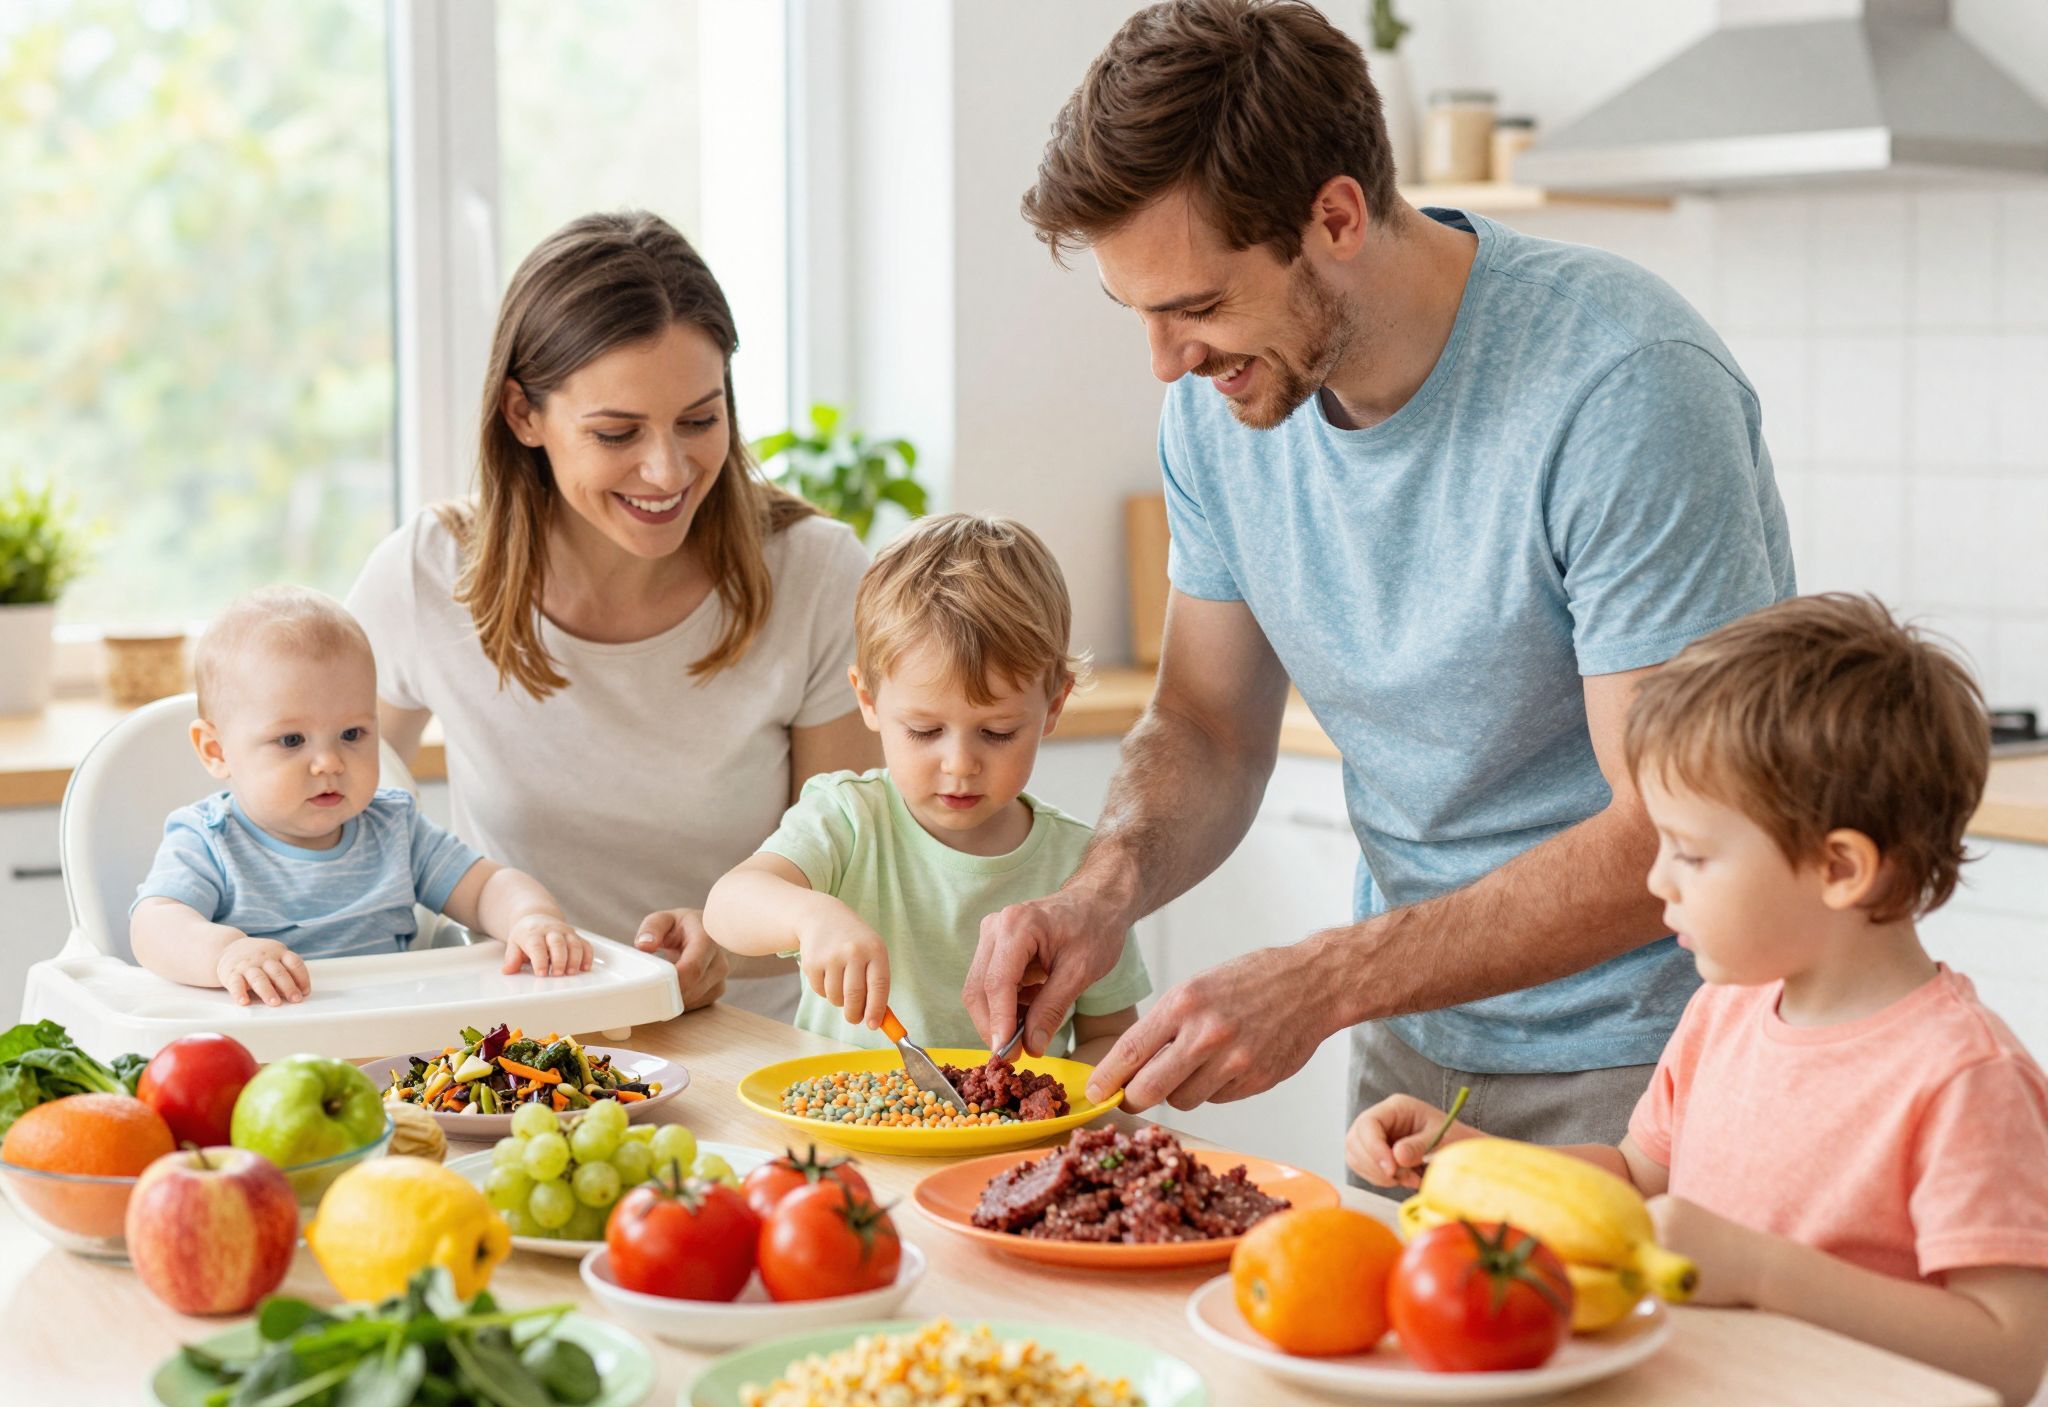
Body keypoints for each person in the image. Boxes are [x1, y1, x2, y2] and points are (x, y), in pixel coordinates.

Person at [965, 0, 1794, 1169]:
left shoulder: (1622, 386)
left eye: (1195, 307)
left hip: (1652, 1062)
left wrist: (1323, 979)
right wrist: (1101, 891)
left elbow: (1666, 824)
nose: (1165, 361)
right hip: (1408, 1050)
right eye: (1138, 313)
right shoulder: (1217, 411)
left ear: (1336, 217)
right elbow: (1206, 725)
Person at [1349, 594, 2048, 1407]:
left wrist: (1761, 1271)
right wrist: (1467, 1154)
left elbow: (2008, 1357)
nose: (1656, 882)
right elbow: (1635, 1180)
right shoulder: (1725, 1011)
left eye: (1692, 854)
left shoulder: (1966, 1079)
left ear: (1841, 868)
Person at [349, 211, 876, 1020]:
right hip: (515, 1043)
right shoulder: (428, 575)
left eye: (699, 420)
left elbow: (854, 872)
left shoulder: (816, 575)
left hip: (754, 1041)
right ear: (523, 414)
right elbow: (322, 815)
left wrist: (726, 949)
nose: (667, 471)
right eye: (617, 432)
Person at [696, 514, 1148, 1061]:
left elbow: (1109, 1036)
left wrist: (1069, 1097)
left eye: (998, 733)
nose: (959, 764)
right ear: (867, 700)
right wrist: (810, 916)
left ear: (1053, 706)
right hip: (845, 1114)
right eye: (924, 731)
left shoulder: (1084, 871)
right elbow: (727, 906)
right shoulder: (846, 818)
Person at [130, 587, 589, 1005]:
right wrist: (226, 954)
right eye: (292, 740)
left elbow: (487, 886)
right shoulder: (209, 841)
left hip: (391, 1040)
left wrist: (530, 918)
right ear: (216, 751)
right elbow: (154, 926)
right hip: (266, 1046)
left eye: (352, 734)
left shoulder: (395, 829)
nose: (329, 762)